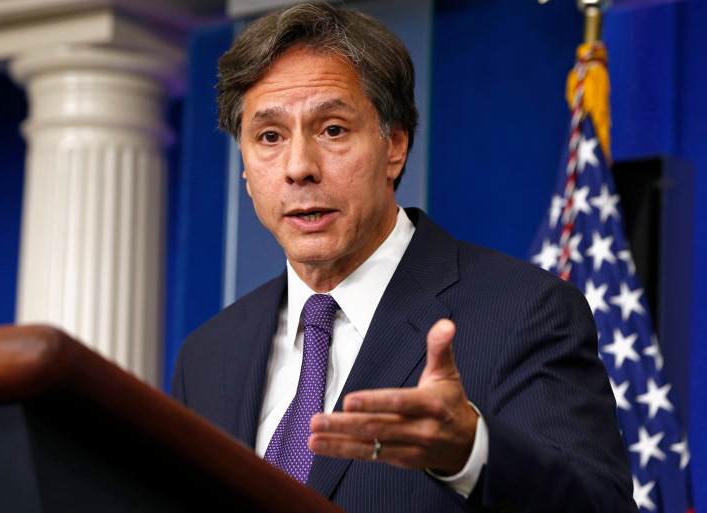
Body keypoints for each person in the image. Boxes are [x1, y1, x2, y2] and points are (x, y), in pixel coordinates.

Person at [172, 2, 637, 512]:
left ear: (394, 144)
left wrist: (471, 453)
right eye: (269, 137)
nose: (299, 167)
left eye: (332, 129)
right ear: (244, 166)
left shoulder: (523, 312)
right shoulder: (207, 356)